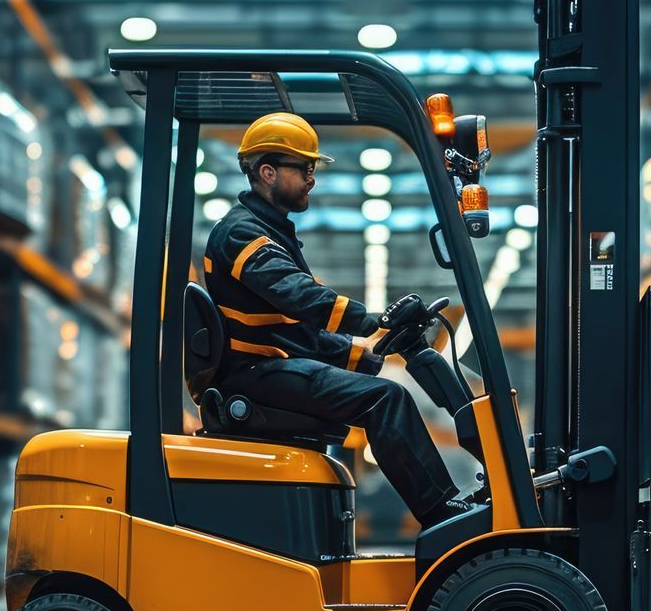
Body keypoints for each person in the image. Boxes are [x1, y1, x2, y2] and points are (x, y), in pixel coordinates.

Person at [202, 111, 480, 528]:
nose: (312, 179)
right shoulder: (243, 234)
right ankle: (441, 514)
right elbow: (299, 297)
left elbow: (294, 330)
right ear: (268, 172)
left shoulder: (268, 230)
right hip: (255, 372)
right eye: (304, 168)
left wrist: (367, 355)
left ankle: (443, 509)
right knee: (385, 399)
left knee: (382, 387)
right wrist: (370, 322)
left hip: (269, 366)